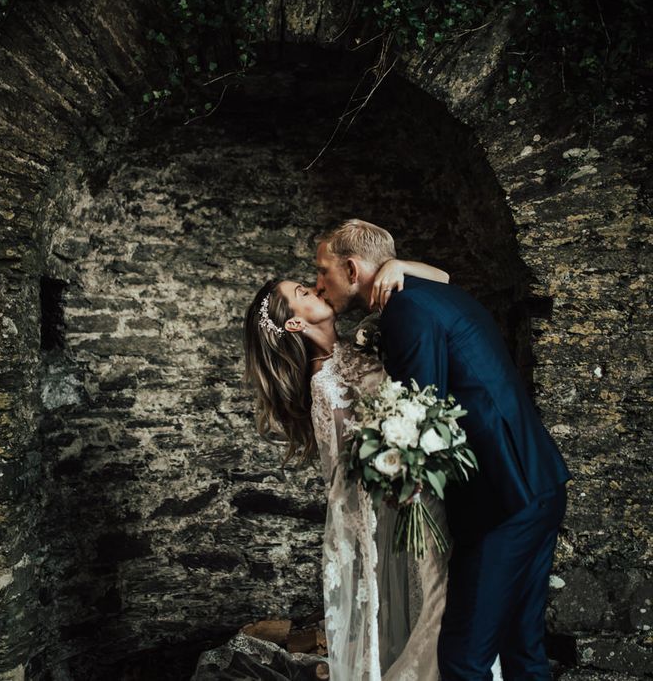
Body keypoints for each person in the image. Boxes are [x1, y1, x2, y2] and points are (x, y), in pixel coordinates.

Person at [315, 219, 572, 681]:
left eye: (323, 272)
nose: (319, 284)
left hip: (502, 500)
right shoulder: (427, 293)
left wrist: (400, 482)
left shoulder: (406, 311)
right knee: (524, 651)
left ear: (352, 270)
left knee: (462, 659)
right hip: (539, 481)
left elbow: (419, 409)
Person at [236, 255, 464, 681]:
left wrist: (397, 266)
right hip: (405, 503)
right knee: (442, 599)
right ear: (294, 325)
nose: (314, 288)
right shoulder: (323, 383)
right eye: (302, 293)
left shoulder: (357, 344)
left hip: (426, 490)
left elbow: (444, 276)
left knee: (447, 599)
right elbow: (355, 468)